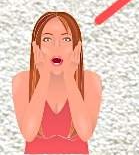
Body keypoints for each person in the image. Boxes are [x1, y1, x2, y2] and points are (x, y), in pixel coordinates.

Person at [12, 12, 102, 154]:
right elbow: (28, 133)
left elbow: (85, 133)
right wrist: (44, 78)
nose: (57, 47)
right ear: (36, 46)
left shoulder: (90, 80)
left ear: (76, 46)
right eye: (47, 39)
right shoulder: (22, 81)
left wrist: (69, 78)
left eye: (66, 39)